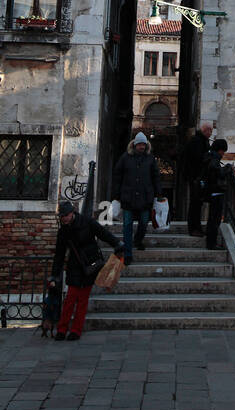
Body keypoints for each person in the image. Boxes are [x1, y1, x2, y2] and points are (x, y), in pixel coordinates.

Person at [51, 200, 123, 341]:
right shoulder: (63, 231)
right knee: (70, 299)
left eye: (65, 215)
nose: (63, 218)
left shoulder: (87, 222)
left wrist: (117, 243)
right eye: (62, 216)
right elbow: (59, 254)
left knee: (82, 299)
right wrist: (54, 275)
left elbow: (102, 233)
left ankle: (76, 330)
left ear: (72, 213)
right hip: (75, 264)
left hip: (91, 264)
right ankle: (62, 329)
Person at [111, 131, 162, 265]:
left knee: (144, 223)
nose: (141, 147)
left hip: (145, 197)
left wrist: (158, 193)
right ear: (134, 144)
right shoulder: (125, 158)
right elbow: (117, 176)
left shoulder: (150, 159)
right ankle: (128, 253)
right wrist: (116, 195)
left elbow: (156, 176)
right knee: (127, 225)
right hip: (128, 196)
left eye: (143, 145)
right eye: (139, 144)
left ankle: (138, 240)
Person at [181, 122, 213, 236]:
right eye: (210, 131)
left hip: (196, 177)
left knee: (197, 203)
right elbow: (197, 159)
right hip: (196, 177)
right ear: (206, 130)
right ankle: (194, 228)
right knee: (195, 203)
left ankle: (196, 228)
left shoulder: (200, 141)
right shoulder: (197, 141)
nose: (211, 134)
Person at [202, 138, 232, 251]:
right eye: (223, 151)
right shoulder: (214, 160)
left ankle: (211, 243)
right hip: (216, 192)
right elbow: (218, 173)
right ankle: (211, 243)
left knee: (213, 219)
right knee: (214, 220)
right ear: (219, 150)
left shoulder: (210, 158)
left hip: (213, 192)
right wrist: (228, 168)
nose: (223, 154)